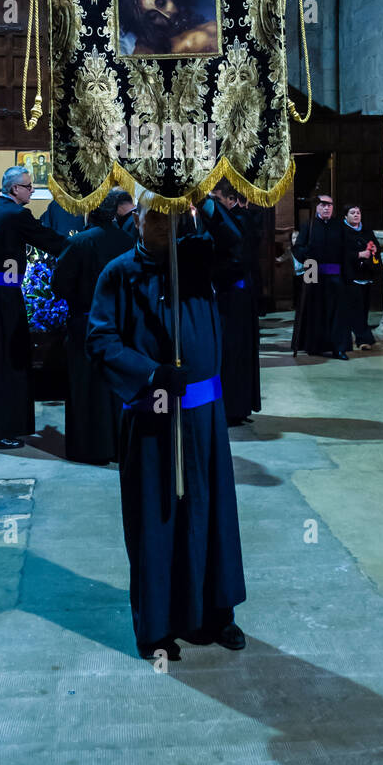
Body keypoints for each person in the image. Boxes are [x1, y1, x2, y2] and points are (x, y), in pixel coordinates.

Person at [86, 194, 246, 662]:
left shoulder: (198, 260)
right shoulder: (119, 272)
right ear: (135, 221)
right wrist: (151, 373)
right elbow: (100, 339)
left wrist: (205, 202)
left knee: (210, 517)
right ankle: (156, 627)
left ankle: (215, 615)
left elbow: (237, 247)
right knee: (157, 521)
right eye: (152, 215)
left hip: (205, 419)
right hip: (153, 415)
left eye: (170, 216)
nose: (161, 224)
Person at [0, 167, 67, 451]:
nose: (32, 191)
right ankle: (0, 428)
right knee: (5, 360)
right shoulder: (16, 215)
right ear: (15, 189)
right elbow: (50, 241)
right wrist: (82, 246)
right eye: (29, 187)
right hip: (3, 298)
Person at [50, 191, 134, 463]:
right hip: (120, 324)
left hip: (85, 323)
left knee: (85, 387)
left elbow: (59, 285)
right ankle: (120, 445)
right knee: (116, 385)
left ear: (89, 211)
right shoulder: (128, 241)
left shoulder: (80, 242)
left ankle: (90, 448)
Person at [208, 179, 260, 426]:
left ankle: (233, 408)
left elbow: (237, 257)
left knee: (233, 353)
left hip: (234, 296)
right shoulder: (234, 220)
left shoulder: (239, 221)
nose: (214, 206)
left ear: (229, 200)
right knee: (235, 353)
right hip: (236, 295)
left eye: (217, 200)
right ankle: (236, 407)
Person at [292, 193, 349, 359]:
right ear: (316, 207)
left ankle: (338, 348)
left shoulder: (339, 226)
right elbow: (298, 248)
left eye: (329, 205)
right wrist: (307, 253)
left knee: (336, 313)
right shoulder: (308, 225)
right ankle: (315, 346)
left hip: (334, 275)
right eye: (323, 204)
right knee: (315, 312)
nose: (326, 208)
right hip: (313, 274)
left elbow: (345, 251)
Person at [118, 0, 218, 56]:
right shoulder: (147, 46)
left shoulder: (209, 23)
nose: (167, 15)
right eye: (154, 17)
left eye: (162, 3)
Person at [341, 204, 380, 350]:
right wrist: (359, 254)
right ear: (346, 216)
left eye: (358, 212)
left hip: (366, 274)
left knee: (364, 309)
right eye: (352, 213)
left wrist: (375, 248)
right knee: (355, 308)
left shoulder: (366, 230)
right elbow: (340, 253)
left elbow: (375, 244)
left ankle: (361, 335)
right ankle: (363, 339)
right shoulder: (342, 231)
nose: (356, 215)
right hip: (351, 275)